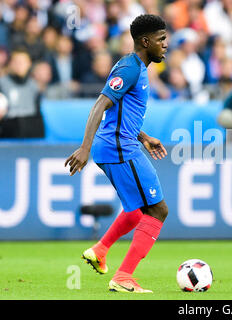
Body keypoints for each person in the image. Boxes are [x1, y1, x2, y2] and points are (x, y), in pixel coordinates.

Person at [64, 14, 169, 294]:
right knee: (158, 210)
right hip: (118, 147)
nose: (166, 45)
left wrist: (144, 137)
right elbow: (100, 105)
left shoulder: (136, 68)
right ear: (145, 42)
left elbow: (120, 114)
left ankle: (100, 250)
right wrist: (84, 148)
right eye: (161, 39)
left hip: (120, 143)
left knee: (136, 211)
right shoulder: (131, 68)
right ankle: (124, 277)